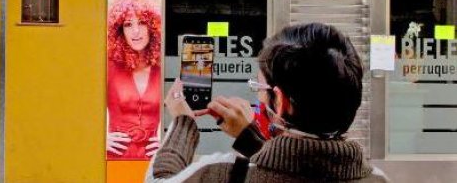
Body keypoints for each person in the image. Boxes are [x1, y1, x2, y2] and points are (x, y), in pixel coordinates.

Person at [146, 22, 389, 182]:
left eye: (260, 87)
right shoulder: (378, 179)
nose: (258, 97)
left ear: (281, 100)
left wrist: (182, 122)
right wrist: (250, 140)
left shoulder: (223, 174)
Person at [106, 0, 162, 159]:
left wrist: (169, 141)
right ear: (119, 30)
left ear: (153, 26)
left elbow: (184, 114)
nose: (136, 31)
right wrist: (97, 139)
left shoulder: (163, 69)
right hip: (115, 159)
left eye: (142, 23)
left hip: (154, 161)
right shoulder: (108, 67)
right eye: (128, 24)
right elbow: (77, 109)